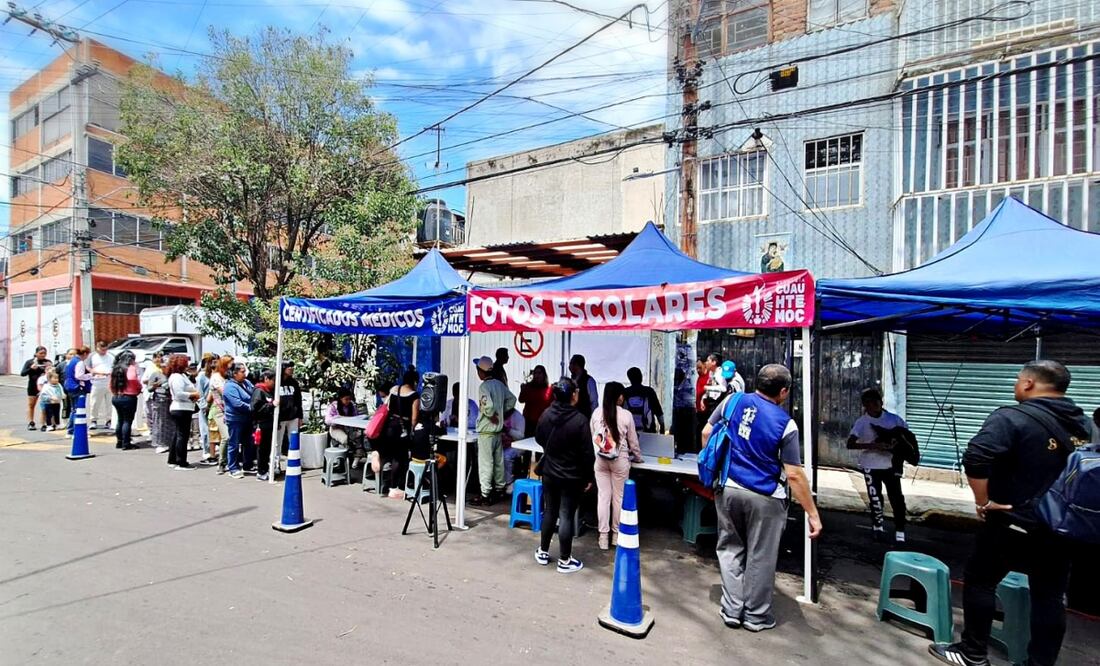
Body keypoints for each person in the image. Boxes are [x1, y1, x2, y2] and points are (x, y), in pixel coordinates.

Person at [929, 361, 1091, 666]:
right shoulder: (1083, 424)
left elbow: (977, 455)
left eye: (1018, 380)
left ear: (1029, 383)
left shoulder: (1011, 417)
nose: (1016, 385)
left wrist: (983, 501)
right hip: (1063, 527)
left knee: (980, 580)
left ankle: (972, 653)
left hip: (1015, 521)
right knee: (1050, 597)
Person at [703, 364, 822, 632]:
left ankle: (732, 609)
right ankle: (756, 616)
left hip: (729, 488)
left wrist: (716, 469)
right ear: (783, 392)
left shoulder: (732, 401)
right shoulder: (786, 424)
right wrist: (812, 513)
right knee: (761, 555)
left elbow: (706, 433)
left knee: (730, 548)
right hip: (766, 496)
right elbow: (794, 474)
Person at [534, 377, 595, 574]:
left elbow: (539, 437)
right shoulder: (579, 421)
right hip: (571, 475)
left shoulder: (546, 414)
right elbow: (587, 454)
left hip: (550, 472)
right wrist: (588, 477)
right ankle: (564, 560)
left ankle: (543, 551)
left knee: (550, 510)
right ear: (573, 395)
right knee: (566, 514)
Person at [847, 388, 909, 544]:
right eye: (868, 404)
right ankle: (877, 527)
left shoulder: (894, 420)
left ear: (881, 403)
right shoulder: (862, 422)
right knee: (875, 498)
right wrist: (872, 446)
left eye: (875, 402)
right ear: (864, 406)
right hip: (870, 465)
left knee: (897, 499)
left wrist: (895, 444)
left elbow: (906, 438)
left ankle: (900, 531)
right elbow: (850, 444)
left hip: (891, 465)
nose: (872, 406)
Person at [590, 381, 643, 550]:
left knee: (603, 497)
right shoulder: (626, 415)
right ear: (619, 396)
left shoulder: (597, 413)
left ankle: (603, 538)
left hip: (600, 460)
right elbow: (633, 442)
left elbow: (594, 437)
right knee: (618, 498)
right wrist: (638, 457)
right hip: (620, 460)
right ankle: (616, 536)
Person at [472, 356, 517, 506]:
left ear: (481, 372)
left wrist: (492, 414)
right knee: (498, 462)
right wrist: (501, 412)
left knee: (486, 463)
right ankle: (499, 489)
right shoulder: (499, 384)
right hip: (497, 432)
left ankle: (485, 494)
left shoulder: (484, 387)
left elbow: (489, 406)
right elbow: (512, 400)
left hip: (486, 431)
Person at [381, 368, 420, 498]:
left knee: (391, 457)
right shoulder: (414, 395)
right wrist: (412, 430)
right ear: (414, 381)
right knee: (400, 458)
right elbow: (414, 418)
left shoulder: (394, 390)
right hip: (402, 429)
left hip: (390, 426)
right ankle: (395, 487)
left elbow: (386, 408)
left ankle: (385, 485)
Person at [166, 354, 199, 470]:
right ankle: (181, 462)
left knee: (178, 434)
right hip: (181, 408)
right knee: (182, 435)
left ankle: (173, 459)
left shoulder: (181, 376)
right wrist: (192, 395)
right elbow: (179, 394)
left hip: (183, 407)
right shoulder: (177, 377)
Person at [221, 362, 254, 479]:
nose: (245, 374)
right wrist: (252, 407)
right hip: (235, 419)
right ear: (234, 373)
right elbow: (237, 403)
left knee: (249, 442)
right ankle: (233, 468)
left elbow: (254, 394)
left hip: (247, 418)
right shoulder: (230, 386)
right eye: (242, 371)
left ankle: (248, 464)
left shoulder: (247, 383)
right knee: (234, 443)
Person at [109, 351, 142, 449]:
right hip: (129, 397)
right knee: (127, 421)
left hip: (117, 396)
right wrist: (138, 387)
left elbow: (110, 383)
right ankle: (126, 443)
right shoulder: (130, 368)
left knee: (120, 419)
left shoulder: (116, 368)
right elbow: (132, 378)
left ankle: (119, 441)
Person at [326, 387, 365, 465]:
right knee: (345, 439)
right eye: (346, 399)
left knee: (359, 436)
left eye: (349, 399)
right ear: (340, 398)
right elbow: (327, 420)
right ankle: (345, 459)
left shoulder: (351, 405)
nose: (348, 401)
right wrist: (338, 418)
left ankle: (358, 455)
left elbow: (356, 417)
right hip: (336, 429)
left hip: (349, 429)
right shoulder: (333, 406)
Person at [250, 369, 277, 481]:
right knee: (262, 450)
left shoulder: (270, 391)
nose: (274, 383)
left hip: (269, 424)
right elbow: (255, 409)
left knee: (268, 449)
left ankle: (266, 469)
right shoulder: (259, 391)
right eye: (273, 380)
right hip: (261, 425)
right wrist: (271, 405)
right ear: (266, 379)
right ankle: (261, 472)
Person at [143, 352, 171, 454]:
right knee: (159, 422)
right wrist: (156, 385)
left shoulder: (170, 374)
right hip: (159, 401)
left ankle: (168, 442)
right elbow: (149, 388)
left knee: (169, 423)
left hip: (169, 401)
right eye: (164, 365)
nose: (165, 367)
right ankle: (159, 443)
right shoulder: (156, 374)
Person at [622, 367, 665, 434]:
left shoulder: (625, 392)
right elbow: (658, 410)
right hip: (649, 432)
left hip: (629, 434)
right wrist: (662, 426)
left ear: (629, 379)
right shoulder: (649, 391)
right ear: (641, 377)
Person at [208, 355, 233, 473]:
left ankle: (230, 462)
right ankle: (222, 463)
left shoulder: (228, 376)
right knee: (226, 436)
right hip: (219, 409)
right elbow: (225, 392)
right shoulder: (216, 378)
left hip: (231, 409)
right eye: (230, 364)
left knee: (233, 437)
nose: (232, 367)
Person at [63, 346, 93, 435]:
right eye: (87, 354)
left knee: (74, 409)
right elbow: (79, 376)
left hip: (70, 386)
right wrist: (90, 376)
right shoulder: (79, 362)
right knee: (79, 409)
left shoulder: (71, 361)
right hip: (77, 387)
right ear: (84, 354)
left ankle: (71, 429)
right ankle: (75, 430)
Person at [20, 346, 51, 431]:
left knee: (44, 406)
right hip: (33, 386)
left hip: (44, 387)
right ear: (36, 353)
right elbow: (22, 373)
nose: (43, 355)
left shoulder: (47, 362)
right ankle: (31, 422)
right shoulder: (30, 362)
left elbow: (53, 374)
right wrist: (31, 368)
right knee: (31, 405)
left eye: (44, 353)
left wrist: (50, 368)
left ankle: (44, 423)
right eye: (41, 353)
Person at [276, 361, 303, 459]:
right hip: (280, 417)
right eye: (289, 367)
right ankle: (276, 464)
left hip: (293, 416)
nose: (291, 369)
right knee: (277, 442)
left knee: (294, 440)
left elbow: (298, 400)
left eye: (292, 367)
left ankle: (294, 461)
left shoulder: (294, 382)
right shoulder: (276, 381)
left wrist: (300, 416)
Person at [87, 340, 115, 431]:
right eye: (102, 350)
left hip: (109, 381)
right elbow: (88, 366)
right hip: (97, 382)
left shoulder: (111, 356)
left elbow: (115, 366)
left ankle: (109, 420)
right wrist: (94, 372)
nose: (103, 352)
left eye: (105, 349)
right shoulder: (92, 356)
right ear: (97, 348)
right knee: (95, 402)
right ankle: (93, 420)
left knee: (110, 402)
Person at [518, 365, 552, 438]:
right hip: (529, 421)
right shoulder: (528, 387)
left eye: (539, 373)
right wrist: (522, 390)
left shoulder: (548, 390)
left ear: (544, 375)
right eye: (535, 373)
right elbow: (521, 400)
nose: (537, 375)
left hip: (543, 422)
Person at [195, 354, 216, 465]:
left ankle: (213, 450)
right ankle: (207, 450)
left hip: (216, 406)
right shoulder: (202, 376)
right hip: (206, 407)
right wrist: (204, 407)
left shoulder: (216, 375)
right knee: (205, 430)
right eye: (212, 362)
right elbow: (199, 393)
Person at [672, 367, 697, 454]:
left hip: (687, 412)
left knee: (685, 435)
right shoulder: (677, 386)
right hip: (679, 411)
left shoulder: (687, 385)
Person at [568, 354, 599, 418]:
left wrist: (592, 419)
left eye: (571, 363)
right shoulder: (570, 381)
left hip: (584, 418)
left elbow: (594, 402)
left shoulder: (589, 381)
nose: (569, 366)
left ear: (577, 365)